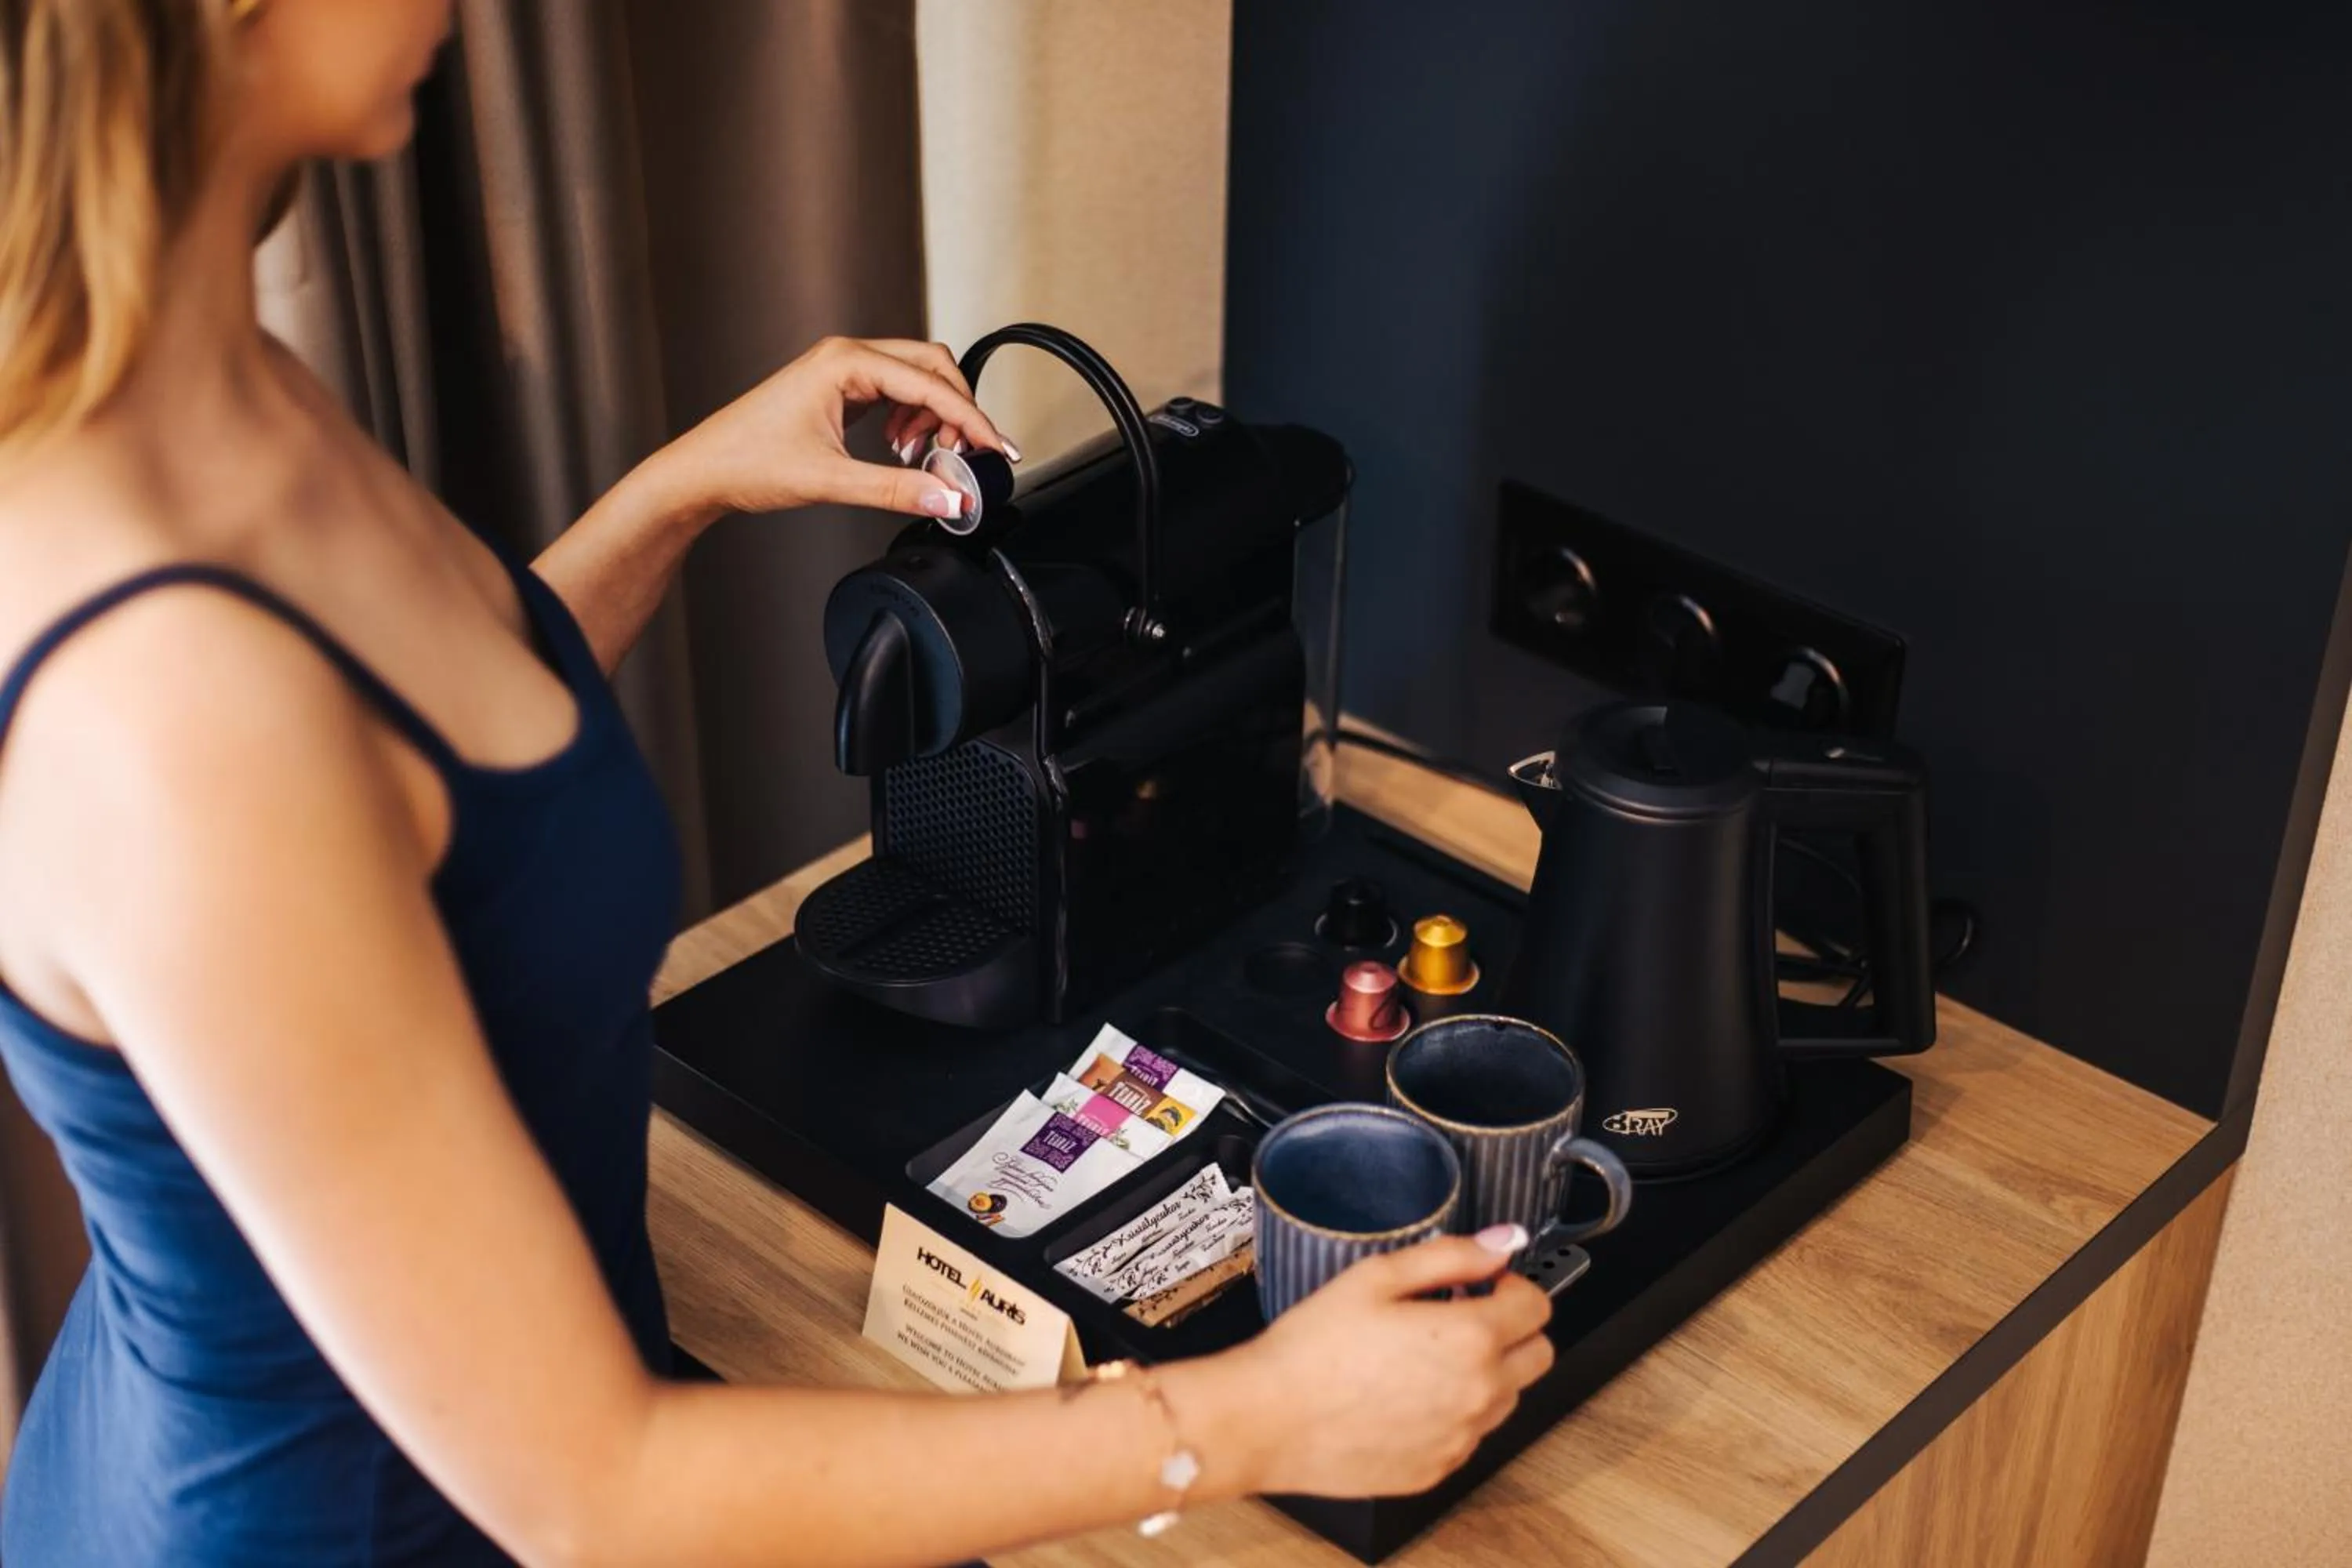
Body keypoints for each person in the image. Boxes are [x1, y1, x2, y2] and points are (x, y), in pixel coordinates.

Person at [0, 3, 1555, 1563]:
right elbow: (593, 1492)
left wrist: (688, 489)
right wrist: (1255, 1414)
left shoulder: (212, 382)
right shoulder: (163, 709)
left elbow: (423, 764)